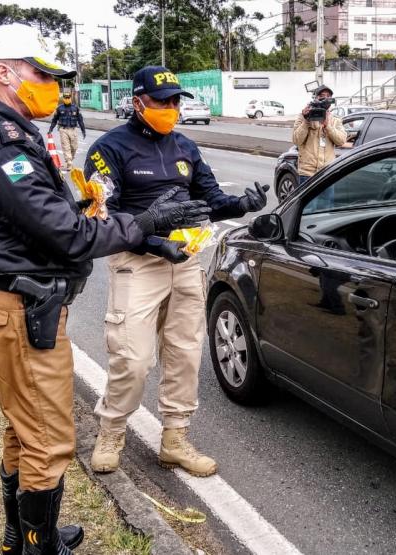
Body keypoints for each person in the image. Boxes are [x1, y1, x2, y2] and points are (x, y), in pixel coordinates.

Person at [0, 25, 210, 555]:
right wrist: (144, 224)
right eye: (43, 75)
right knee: (48, 436)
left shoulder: (8, 134)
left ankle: (23, 536)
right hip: (22, 307)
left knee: (24, 427)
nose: (55, 86)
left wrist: (94, 212)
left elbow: (44, 217)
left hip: (20, 303)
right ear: (5, 73)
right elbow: (66, 235)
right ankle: (40, 546)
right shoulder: (3, 144)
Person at [85, 66, 268, 478]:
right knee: (132, 359)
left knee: (184, 353)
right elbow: (102, 217)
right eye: (162, 101)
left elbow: (211, 200)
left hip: (185, 261)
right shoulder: (109, 149)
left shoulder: (185, 146)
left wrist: (242, 205)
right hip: (137, 263)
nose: (171, 108)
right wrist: (152, 242)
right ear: (137, 102)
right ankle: (111, 432)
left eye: (175, 101)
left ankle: (175, 438)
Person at [292, 85, 347, 184]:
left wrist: (328, 126)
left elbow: (341, 141)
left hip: (327, 172)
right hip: (307, 173)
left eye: (328, 96)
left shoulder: (335, 120)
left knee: (327, 196)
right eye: (321, 96)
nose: (325, 99)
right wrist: (306, 120)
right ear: (315, 98)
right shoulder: (303, 116)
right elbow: (296, 140)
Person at [47, 91, 85, 170]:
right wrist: (50, 129)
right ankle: (69, 163)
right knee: (66, 147)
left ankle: (70, 159)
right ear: (63, 98)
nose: (67, 99)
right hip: (63, 130)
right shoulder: (59, 108)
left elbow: (80, 120)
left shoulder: (76, 108)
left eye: (68, 97)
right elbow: (54, 120)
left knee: (74, 147)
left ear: (70, 98)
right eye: (65, 97)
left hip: (73, 130)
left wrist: (83, 131)